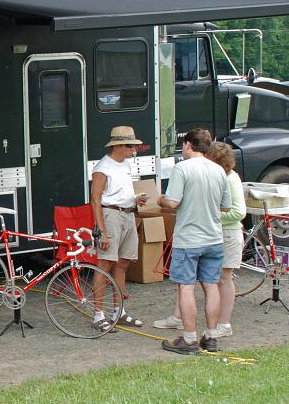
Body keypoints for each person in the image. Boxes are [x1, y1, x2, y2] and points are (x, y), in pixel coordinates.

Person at [153, 141, 245, 339]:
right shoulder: (216, 173)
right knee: (206, 284)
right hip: (213, 236)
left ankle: (208, 330)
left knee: (212, 281)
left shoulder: (227, 177)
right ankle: (202, 330)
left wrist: (205, 215)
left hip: (222, 234)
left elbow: (237, 211)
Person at [89, 126, 147, 330]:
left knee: (123, 263)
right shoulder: (102, 167)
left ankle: (119, 311)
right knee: (104, 264)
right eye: (131, 146)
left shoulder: (125, 165)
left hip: (128, 213)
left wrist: (135, 201)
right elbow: (95, 200)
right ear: (119, 145)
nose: (134, 150)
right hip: (111, 214)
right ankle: (98, 314)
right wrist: (102, 231)